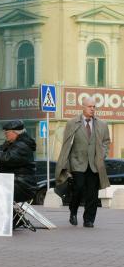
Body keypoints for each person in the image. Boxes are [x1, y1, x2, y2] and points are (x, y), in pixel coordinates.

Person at [55, 96, 110, 228]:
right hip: (77, 162)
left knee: (92, 193)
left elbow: (106, 142)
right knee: (78, 188)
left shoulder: (102, 124)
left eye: (94, 107)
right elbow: (67, 144)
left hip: (94, 164)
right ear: (83, 107)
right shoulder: (72, 123)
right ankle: (73, 212)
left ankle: (88, 219)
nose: (92, 109)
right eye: (90, 106)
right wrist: (66, 164)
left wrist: (102, 154)